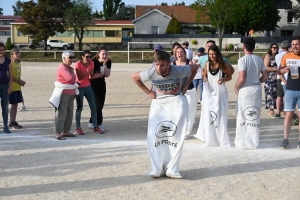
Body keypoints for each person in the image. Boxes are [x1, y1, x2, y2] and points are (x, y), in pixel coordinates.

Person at [131, 51, 198, 179]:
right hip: (159, 104)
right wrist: (148, 92)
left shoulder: (179, 70)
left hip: (176, 102)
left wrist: (186, 85)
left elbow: (195, 68)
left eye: (162, 65)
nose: (158, 68)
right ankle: (157, 169)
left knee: (174, 137)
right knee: (155, 136)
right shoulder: (152, 72)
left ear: (168, 64)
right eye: (156, 65)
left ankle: (172, 169)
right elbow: (135, 77)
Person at [194, 45, 232, 147]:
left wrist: (223, 79)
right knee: (209, 115)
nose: (212, 56)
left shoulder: (223, 64)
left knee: (220, 115)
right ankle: (210, 138)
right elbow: (205, 75)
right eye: (210, 54)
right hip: (209, 92)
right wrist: (205, 78)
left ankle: (222, 138)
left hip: (220, 92)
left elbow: (230, 76)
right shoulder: (206, 64)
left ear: (217, 54)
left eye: (214, 54)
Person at [234, 37, 268, 149]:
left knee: (242, 115)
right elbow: (266, 76)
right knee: (254, 115)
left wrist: (236, 86)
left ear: (244, 47)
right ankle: (254, 141)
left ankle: (242, 140)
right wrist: (258, 82)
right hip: (256, 88)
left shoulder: (242, 60)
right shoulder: (259, 59)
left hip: (246, 89)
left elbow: (242, 78)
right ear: (254, 47)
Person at [49, 50, 78, 140]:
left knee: (69, 113)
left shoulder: (69, 68)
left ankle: (66, 131)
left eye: (73, 57)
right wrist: (73, 75)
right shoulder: (62, 67)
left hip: (70, 93)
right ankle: (58, 132)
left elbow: (73, 79)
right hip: (63, 94)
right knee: (62, 113)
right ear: (64, 58)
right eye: (70, 57)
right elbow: (70, 78)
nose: (72, 59)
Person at [278, 35, 300, 149]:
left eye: (297, 44)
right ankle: (285, 139)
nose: (295, 46)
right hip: (290, 89)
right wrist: (284, 70)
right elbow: (279, 71)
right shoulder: (287, 56)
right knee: (289, 115)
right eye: (293, 44)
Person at [74, 50, 103, 135]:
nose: (89, 58)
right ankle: (78, 128)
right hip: (79, 87)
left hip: (88, 86)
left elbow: (91, 76)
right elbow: (79, 78)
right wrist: (86, 71)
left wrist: (97, 76)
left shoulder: (91, 63)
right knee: (80, 108)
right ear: (82, 57)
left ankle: (95, 126)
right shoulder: (78, 64)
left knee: (93, 106)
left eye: (90, 57)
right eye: (87, 57)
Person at [87, 47, 111, 132]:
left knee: (100, 105)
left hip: (101, 84)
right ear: (98, 54)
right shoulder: (93, 62)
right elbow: (90, 76)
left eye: (106, 54)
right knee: (97, 105)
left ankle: (91, 121)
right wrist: (95, 76)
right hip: (92, 84)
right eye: (103, 54)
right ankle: (98, 124)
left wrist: (104, 65)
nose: (105, 56)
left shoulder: (108, 62)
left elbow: (107, 75)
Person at [9, 48, 25, 129]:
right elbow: (11, 77)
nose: (18, 54)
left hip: (18, 87)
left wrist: (20, 82)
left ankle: (14, 121)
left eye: (18, 53)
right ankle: (11, 121)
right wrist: (19, 81)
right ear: (12, 55)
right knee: (13, 104)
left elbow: (18, 76)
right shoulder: (11, 64)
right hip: (13, 87)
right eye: (16, 53)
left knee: (16, 105)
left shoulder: (19, 64)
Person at [274, 40, 290, 118]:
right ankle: (289, 112)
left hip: (279, 76)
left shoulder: (278, 55)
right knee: (288, 96)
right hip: (288, 76)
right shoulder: (289, 54)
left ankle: (278, 112)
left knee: (279, 95)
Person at [0, 42, 13, 133]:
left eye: (3, 50)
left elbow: (11, 75)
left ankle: (5, 126)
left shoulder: (8, 60)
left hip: (5, 86)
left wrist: (10, 86)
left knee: (5, 107)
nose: (2, 51)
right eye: (0, 50)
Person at [264, 43, 279, 116]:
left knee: (276, 93)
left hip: (277, 78)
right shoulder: (268, 56)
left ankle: (278, 108)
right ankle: (271, 109)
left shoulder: (277, 56)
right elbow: (266, 67)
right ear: (271, 48)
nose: (275, 49)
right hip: (269, 77)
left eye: (276, 48)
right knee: (270, 93)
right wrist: (276, 69)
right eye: (274, 48)